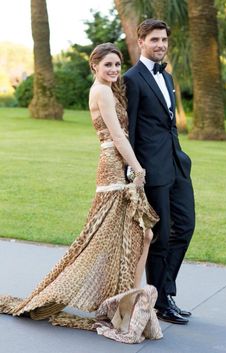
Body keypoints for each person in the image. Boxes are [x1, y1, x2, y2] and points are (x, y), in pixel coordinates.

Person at [0, 43, 163, 344]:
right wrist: (138, 170)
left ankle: (126, 301)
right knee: (120, 235)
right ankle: (121, 304)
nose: (114, 70)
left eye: (117, 64)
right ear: (95, 66)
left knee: (140, 236)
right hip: (115, 167)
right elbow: (116, 136)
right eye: (108, 65)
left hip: (120, 165)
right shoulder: (100, 91)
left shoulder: (110, 89)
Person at [124, 19, 195, 325]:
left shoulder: (165, 77)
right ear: (141, 42)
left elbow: (168, 124)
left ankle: (165, 290)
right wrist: (133, 170)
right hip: (152, 168)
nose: (161, 45)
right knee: (161, 236)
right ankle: (162, 301)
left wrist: (180, 156)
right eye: (154, 40)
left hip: (177, 164)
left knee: (187, 225)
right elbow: (132, 127)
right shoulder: (132, 78)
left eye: (164, 40)